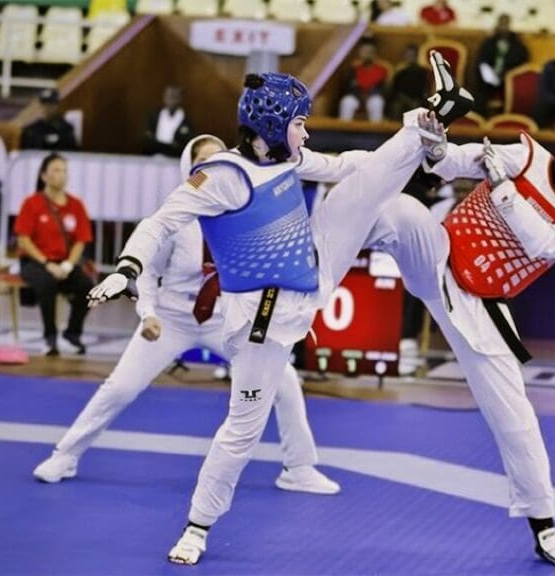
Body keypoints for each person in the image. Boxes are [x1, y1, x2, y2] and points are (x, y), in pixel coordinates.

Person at [87, 54, 471, 565]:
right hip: (259, 326)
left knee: (367, 188)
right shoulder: (222, 176)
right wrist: (128, 267)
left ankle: (435, 112)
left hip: (316, 267)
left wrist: (413, 148)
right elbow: (159, 222)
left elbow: (343, 166)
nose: (306, 133)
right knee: (241, 433)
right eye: (298, 124)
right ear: (271, 126)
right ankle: (197, 527)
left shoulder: (287, 158)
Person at [359, 124, 555, 570]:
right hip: (436, 256)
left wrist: (505, 192)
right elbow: (455, 162)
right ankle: (311, 260)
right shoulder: (526, 157)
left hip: (481, 306)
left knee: (517, 421)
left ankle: (544, 529)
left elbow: (543, 242)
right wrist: (437, 147)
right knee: (398, 210)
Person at [32, 135, 340, 496]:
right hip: (170, 318)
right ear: (189, 169)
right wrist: (146, 313)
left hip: (225, 319)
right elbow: (145, 271)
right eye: (204, 161)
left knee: (285, 381)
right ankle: (65, 455)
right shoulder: (176, 217)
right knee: (120, 388)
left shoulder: (244, 212)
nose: (214, 168)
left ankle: (299, 468)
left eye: (220, 159)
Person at [14, 153, 95, 356]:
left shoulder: (76, 205)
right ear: (44, 176)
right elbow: (24, 239)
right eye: (56, 170)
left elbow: (81, 240)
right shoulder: (31, 203)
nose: (62, 175)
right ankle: (50, 337)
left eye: (65, 170)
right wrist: (46, 263)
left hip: (64, 262)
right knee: (46, 283)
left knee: (87, 286)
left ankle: (73, 333)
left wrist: (68, 265)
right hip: (35, 262)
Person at [473, 14, 530, 115]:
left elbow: (522, 63)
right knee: (479, 93)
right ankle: (481, 121)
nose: (503, 28)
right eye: (501, 25)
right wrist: (488, 73)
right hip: (489, 79)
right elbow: (481, 61)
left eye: (505, 25)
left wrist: (507, 75)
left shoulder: (517, 44)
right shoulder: (489, 42)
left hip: (508, 79)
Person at [338, 37, 388, 122]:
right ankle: (343, 133)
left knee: (376, 103)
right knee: (347, 102)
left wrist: (368, 94)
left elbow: (383, 89)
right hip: (356, 97)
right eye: (365, 51)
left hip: (373, 97)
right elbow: (348, 88)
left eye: (370, 52)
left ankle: (375, 133)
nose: (367, 54)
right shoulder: (354, 69)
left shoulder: (381, 70)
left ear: (374, 54)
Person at [143, 85, 194, 157]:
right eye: (168, 96)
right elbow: (147, 137)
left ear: (180, 99)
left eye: (174, 97)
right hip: (154, 156)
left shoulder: (186, 121)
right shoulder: (154, 116)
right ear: (164, 98)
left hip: (175, 159)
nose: (171, 100)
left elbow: (187, 144)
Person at [386, 44, 429, 119]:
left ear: (416, 56)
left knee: (418, 108)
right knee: (396, 107)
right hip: (400, 99)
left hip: (416, 99)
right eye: (408, 55)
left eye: (412, 55)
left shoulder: (422, 71)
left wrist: (415, 100)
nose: (410, 57)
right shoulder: (399, 70)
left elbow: (424, 89)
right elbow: (393, 88)